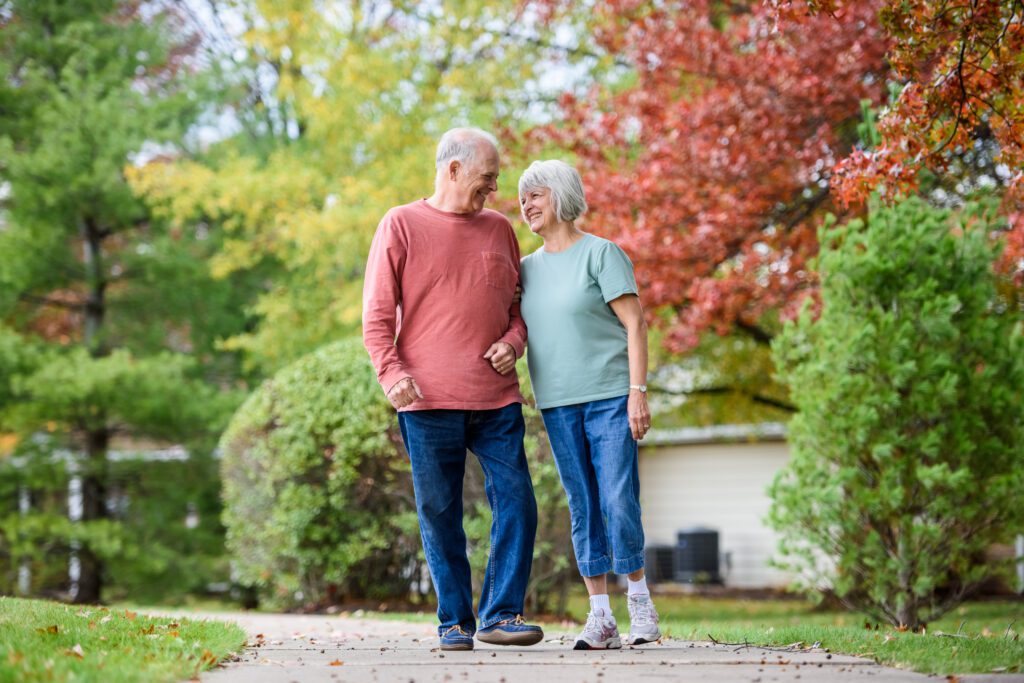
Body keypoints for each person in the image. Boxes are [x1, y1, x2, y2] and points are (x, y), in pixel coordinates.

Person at [362, 128, 543, 652]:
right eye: (487, 177)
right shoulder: (400, 224)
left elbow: (517, 309)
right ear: (454, 169)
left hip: (496, 397)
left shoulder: (500, 229)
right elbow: (376, 316)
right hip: (427, 400)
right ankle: (455, 623)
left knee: (518, 500)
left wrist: (513, 341)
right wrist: (391, 373)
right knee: (440, 513)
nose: (494, 188)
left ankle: (501, 614)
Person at [517, 159, 661, 649]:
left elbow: (635, 325)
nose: (526, 205)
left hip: (609, 397)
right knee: (582, 504)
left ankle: (639, 600)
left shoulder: (601, 254)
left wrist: (638, 392)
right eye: (523, 198)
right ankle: (601, 617)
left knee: (618, 499)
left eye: (535, 195)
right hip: (557, 404)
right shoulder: (526, 269)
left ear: (560, 195)